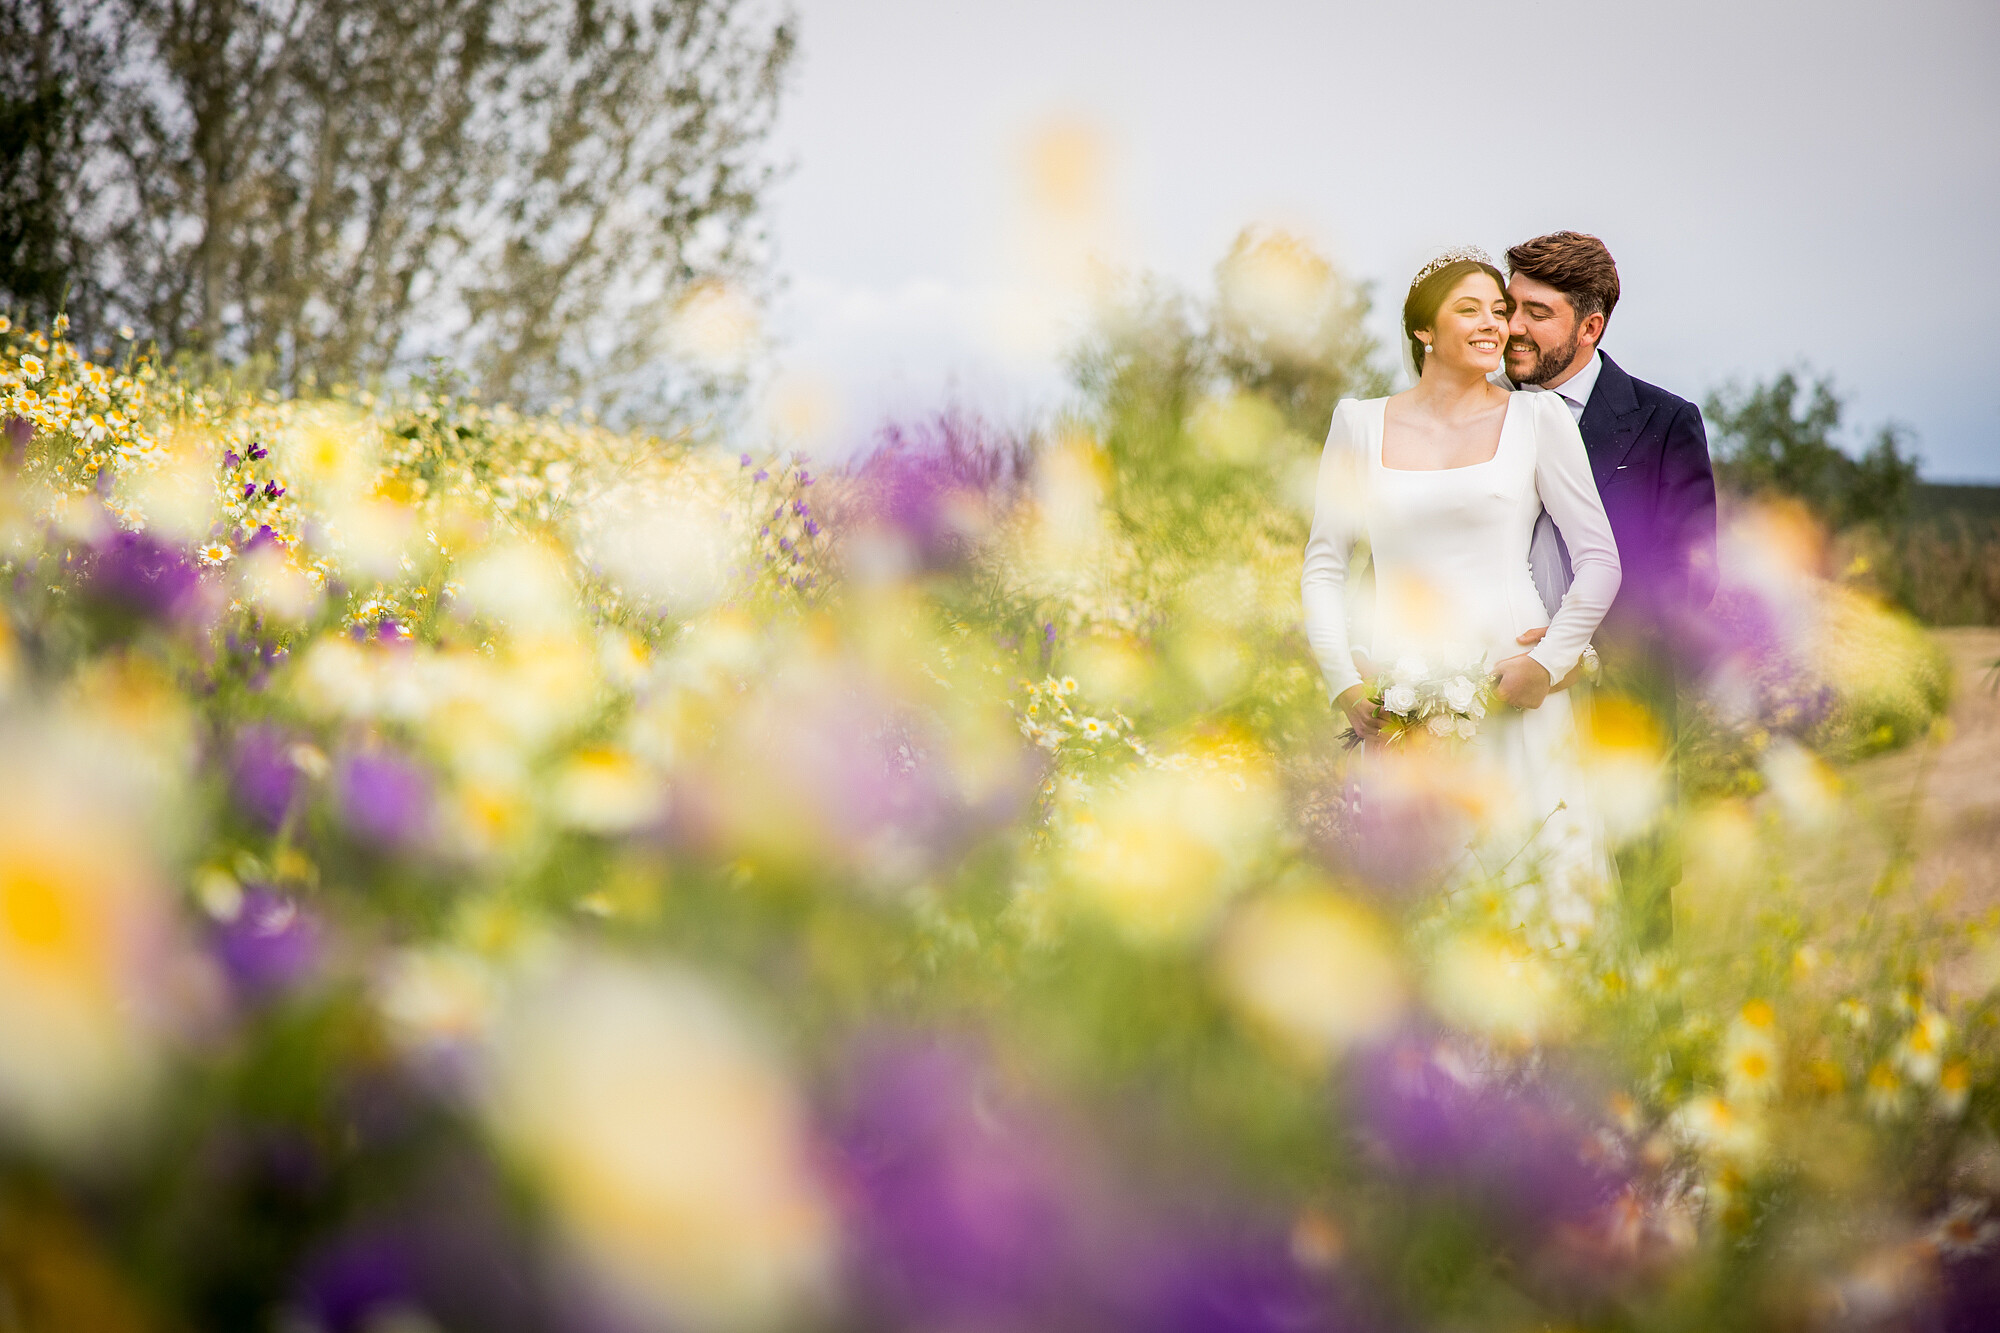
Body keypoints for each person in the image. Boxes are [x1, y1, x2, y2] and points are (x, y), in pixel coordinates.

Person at [1302, 249, 1621, 941]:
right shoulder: (1358, 424)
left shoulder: (1539, 421)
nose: (1495, 323)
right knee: (1420, 919)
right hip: (1401, 712)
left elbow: (1600, 559)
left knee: (1538, 901)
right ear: (1423, 331)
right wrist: (1345, 686)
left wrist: (1550, 660)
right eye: (1469, 309)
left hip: (1516, 701)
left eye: (1500, 310)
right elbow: (1323, 567)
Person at [1503, 231, 1718, 946]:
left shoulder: (1665, 423)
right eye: (1509, 306)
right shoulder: (1479, 415)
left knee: (1637, 922)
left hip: (1619, 718)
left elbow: (1690, 585)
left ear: (1590, 326)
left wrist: (1573, 650)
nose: (1512, 328)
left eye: (1537, 312)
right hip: (1502, 709)